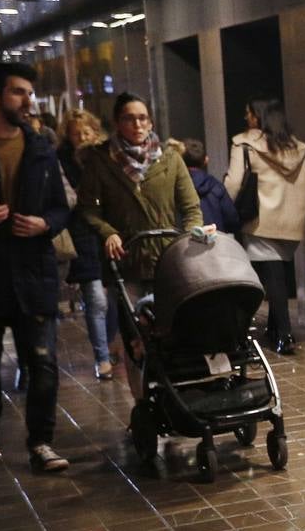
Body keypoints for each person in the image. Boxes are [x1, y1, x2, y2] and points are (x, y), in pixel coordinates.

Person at [0, 62, 71, 471]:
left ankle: (41, 443)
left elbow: (62, 208)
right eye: (19, 92)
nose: (29, 101)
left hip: (34, 271)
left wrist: (46, 223)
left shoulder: (41, 145)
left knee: (43, 361)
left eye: (29, 93)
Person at [78, 92, 201, 397]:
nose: (137, 124)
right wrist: (107, 232)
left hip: (168, 261)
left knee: (170, 334)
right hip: (127, 261)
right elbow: (88, 209)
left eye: (142, 117)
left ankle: (176, 398)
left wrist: (190, 236)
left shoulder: (170, 159)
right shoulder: (101, 161)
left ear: (151, 121)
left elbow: (191, 208)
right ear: (118, 123)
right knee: (136, 339)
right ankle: (143, 403)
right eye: (129, 118)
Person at [225, 97, 305, 355]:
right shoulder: (295, 147)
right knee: (278, 275)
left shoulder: (245, 144)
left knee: (271, 279)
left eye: (248, 114)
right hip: (293, 221)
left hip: (260, 219)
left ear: (258, 116)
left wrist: (227, 209)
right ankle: (276, 328)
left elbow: (234, 183)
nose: (246, 118)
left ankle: (284, 334)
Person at [57, 108, 112, 380]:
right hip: (82, 235)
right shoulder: (61, 161)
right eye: (75, 133)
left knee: (114, 298)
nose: (81, 137)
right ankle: (102, 357)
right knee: (96, 299)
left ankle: (113, 347)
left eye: (85, 132)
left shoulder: (105, 156)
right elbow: (68, 200)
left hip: (109, 233)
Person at [182, 138, 239, 234]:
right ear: (206, 160)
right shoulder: (216, 186)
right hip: (215, 243)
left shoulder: (176, 188)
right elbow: (232, 220)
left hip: (184, 244)